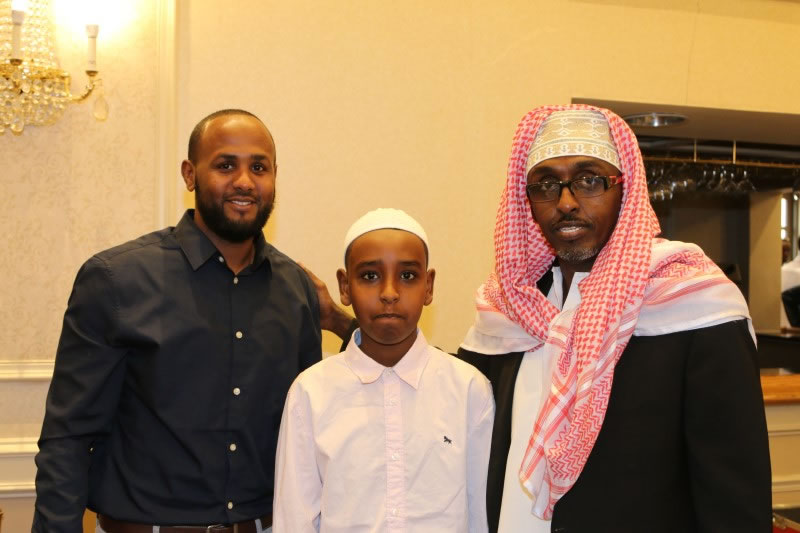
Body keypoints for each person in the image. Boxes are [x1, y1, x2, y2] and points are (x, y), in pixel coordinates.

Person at [319, 106, 772, 532]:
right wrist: (348, 325)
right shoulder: (507, 312)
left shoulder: (693, 306)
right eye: (546, 184)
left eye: (590, 180)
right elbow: (439, 388)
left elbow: (734, 494)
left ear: (625, 189)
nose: (567, 201)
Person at [33, 109, 321, 533]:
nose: (244, 181)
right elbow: (68, 436)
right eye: (226, 165)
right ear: (190, 174)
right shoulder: (116, 280)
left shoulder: (296, 290)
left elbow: (313, 432)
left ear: (275, 177)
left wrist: (343, 322)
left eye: (259, 167)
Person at [273, 208, 495, 532]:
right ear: (344, 286)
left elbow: (481, 516)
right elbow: (295, 520)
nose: (389, 293)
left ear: (429, 286)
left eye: (407, 276)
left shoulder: (469, 389)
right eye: (369, 276)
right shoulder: (311, 393)